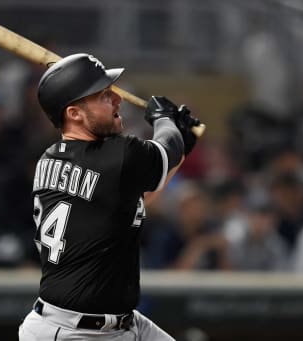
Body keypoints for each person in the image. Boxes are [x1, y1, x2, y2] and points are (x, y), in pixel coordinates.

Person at [18, 53, 200, 340]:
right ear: (74, 113)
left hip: (113, 323)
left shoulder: (50, 158)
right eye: (103, 96)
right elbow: (167, 147)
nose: (118, 100)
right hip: (75, 333)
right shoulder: (116, 154)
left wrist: (180, 141)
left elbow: (136, 198)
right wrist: (165, 120)